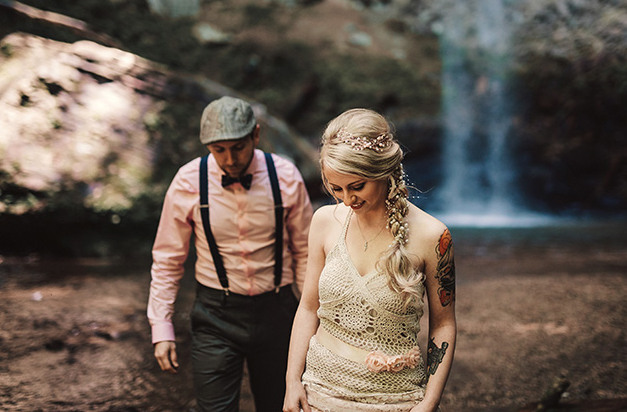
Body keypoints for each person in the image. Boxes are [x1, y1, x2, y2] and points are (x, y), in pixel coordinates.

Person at [283, 108, 457, 412]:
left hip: (397, 399)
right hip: (318, 394)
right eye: (336, 188)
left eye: (357, 186)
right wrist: (292, 382)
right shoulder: (325, 220)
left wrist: (429, 401)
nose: (347, 200)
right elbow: (308, 307)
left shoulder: (433, 236)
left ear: (384, 172)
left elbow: (443, 325)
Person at [147, 96, 313, 412]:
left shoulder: (286, 176)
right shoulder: (188, 181)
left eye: (237, 147)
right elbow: (168, 259)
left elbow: (304, 252)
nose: (230, 159)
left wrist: (313, 318)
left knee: (282, 407)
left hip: (278, 312)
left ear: (255, 135)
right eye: (218, 150)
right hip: (215, 316)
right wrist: (161, 326)